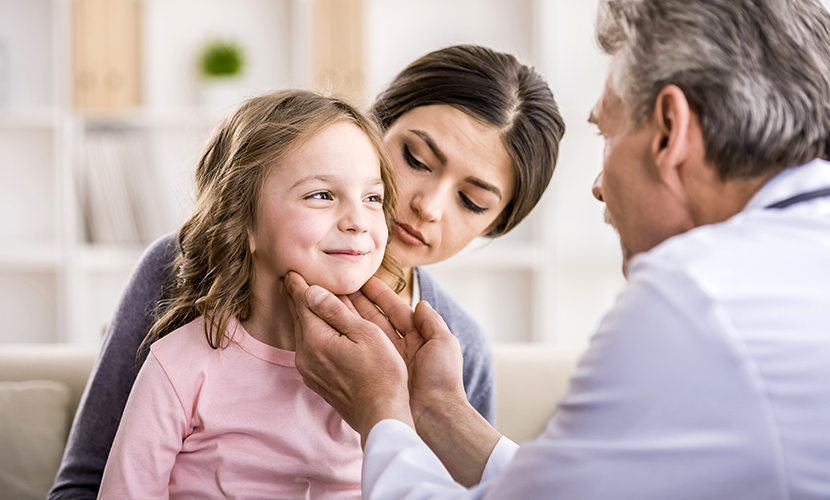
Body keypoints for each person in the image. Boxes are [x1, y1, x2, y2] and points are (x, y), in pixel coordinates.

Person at [283, 0, 830, 498]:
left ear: (669, 132)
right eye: (418, 159)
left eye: (607, 135)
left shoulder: (694, 294)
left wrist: (382, 411)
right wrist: (436, 409)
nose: (597, 184)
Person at [49, 45, 565, 499]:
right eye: (414, 157)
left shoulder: (455, 350)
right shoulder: (183, 266)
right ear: (372, 129)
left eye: (472, 202)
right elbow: (85, 485)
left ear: (495, 226)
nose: (428, 205)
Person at [97, 89, 404, 498]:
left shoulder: (389, 364)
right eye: (321, 195)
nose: (358, 221)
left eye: (372, 198)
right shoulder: (180, 367)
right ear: (244, 222)